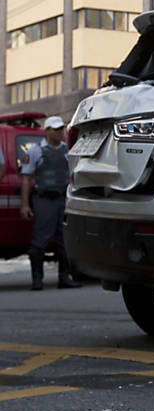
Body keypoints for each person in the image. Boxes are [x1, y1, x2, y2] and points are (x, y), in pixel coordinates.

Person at [20, 116, 82, 290]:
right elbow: (26, 179)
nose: (59, 132)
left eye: (61, 128)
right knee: (39, 241)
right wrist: (25, 205)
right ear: (46, 131)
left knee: (65, 241)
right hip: (44, 200)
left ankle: (64, 278)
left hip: (64, 200)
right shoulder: (35, 151)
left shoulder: (68, 150)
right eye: (55, 129)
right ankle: (37, 280)